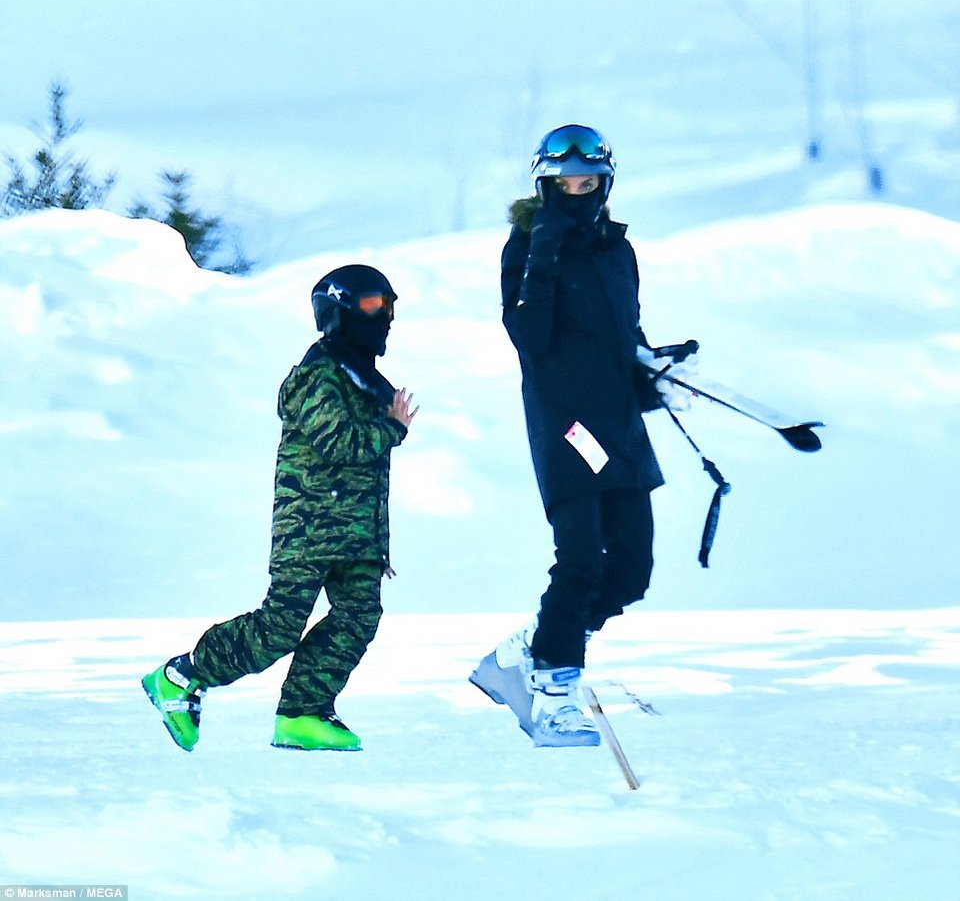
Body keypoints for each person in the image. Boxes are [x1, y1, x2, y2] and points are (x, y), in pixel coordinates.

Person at [142, 264, 418, 752]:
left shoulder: (366, 381)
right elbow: (340, 444)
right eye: (375, 305)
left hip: (354, 537)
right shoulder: (317, 376)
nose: (386, 317)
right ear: (340, 311)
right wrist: (392, 429)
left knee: (359, 617)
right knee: (279, 627)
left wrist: (376, 542)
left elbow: (365, 475)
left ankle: (303, 714)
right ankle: (180, 676)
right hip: (308, 531)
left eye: (390, 306)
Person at [470, 124, 670, 748]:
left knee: (632, 572)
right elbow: (530, 341)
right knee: (581, 559)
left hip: (617, 423)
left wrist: (656, 366)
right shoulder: (526, 244)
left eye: (589, 183)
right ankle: (553, 693)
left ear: (606, 184)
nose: (577, 192)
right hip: (568, 422)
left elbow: (621, 336)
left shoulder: (618, 251)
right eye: (565, 183)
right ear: (544, 185)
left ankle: (532, 647)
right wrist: (547, 250)